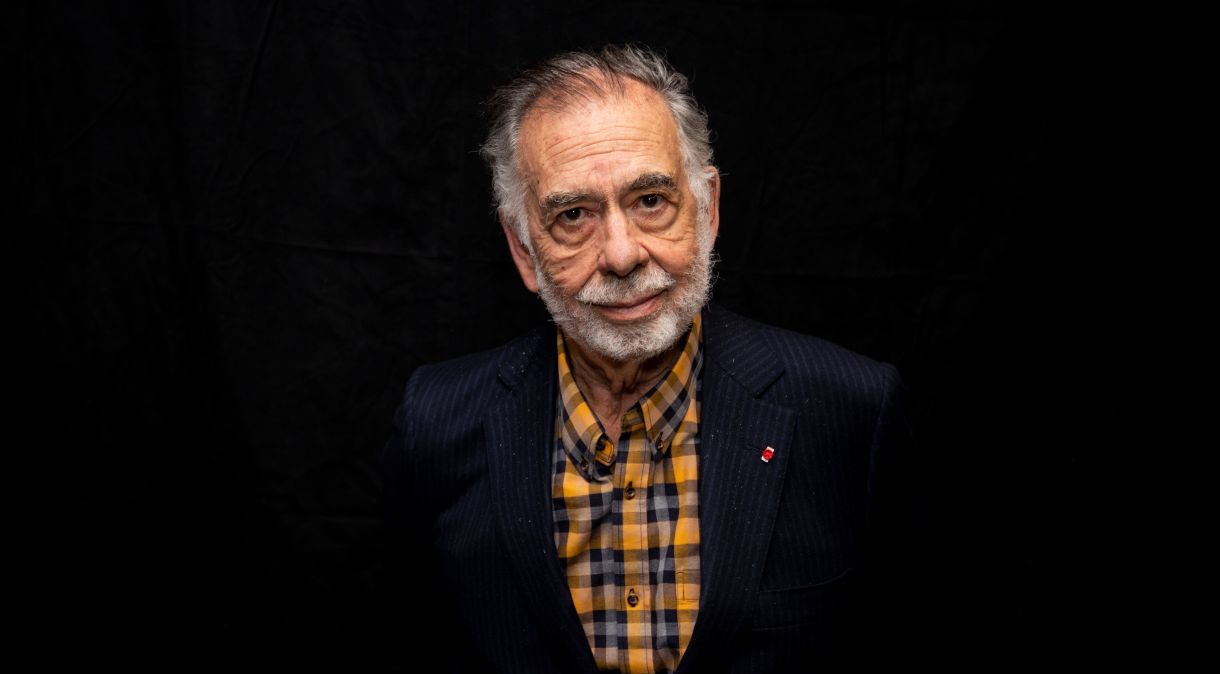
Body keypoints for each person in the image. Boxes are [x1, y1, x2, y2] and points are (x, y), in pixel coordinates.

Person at [383, 44, 922, 673]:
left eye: (650, 201)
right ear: (524, 249)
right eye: (573, 215)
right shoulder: (437, 422)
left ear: (709, 210)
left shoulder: (849, 411)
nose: (621, 255)